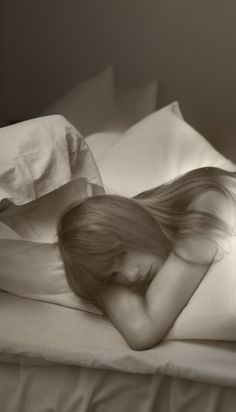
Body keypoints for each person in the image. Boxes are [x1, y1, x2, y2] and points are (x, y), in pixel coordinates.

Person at [57, 167, 236, 350]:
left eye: (122, 254)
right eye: (114, 276)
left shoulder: (207, 200)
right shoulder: (149, 218)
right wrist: (95, 277)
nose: (131, 276)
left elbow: (142, 331)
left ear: (133, 221)